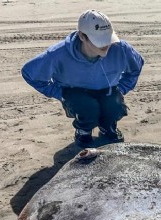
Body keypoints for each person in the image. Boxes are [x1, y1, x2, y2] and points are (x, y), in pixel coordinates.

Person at [22, 10, 144, 147]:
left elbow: (136, 66)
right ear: (82, 36)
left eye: (108, 38)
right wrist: (59, 93)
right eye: (99, 40)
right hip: (75, 92)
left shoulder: (121, 49)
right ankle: (83, 131)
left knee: (114, 105)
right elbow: (29, 73)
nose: (106, 45)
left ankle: (108, 127)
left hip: (108, 90)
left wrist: (122, 88)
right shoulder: (58, 54)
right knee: (87, 108)